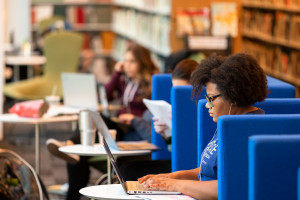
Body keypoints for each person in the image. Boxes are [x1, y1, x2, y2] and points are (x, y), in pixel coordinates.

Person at [138, 53, 268, 200]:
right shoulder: (229, 121)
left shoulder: (248, 129)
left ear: (234, 95)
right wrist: (173, 176)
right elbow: (210, 170)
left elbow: (228, 186)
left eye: (211, 98)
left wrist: (174, 185)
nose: (207, 105)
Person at [46, 43, 159, 200]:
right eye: (125, 61)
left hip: (133, 131)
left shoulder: (152, 84)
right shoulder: (126, 81)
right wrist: (116, 73)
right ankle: (71, 147)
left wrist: (134, 119)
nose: (127, 65)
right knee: (81, 149)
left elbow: (150, 116)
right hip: (120, 125)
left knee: (96, 121)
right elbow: (104, 95)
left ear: (142, 62)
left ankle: (70, 145)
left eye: (132, 61)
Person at [119, 59, 198, 181]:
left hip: (190, 166)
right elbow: (175, 150)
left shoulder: (203, 111)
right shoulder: (176, 108)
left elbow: (192, 150)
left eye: (182, 91)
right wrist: (166, 135)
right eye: (175, 90)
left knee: (129, 170)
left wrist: (182, 126)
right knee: (126, 167)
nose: (178, 96)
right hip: (177, 161)